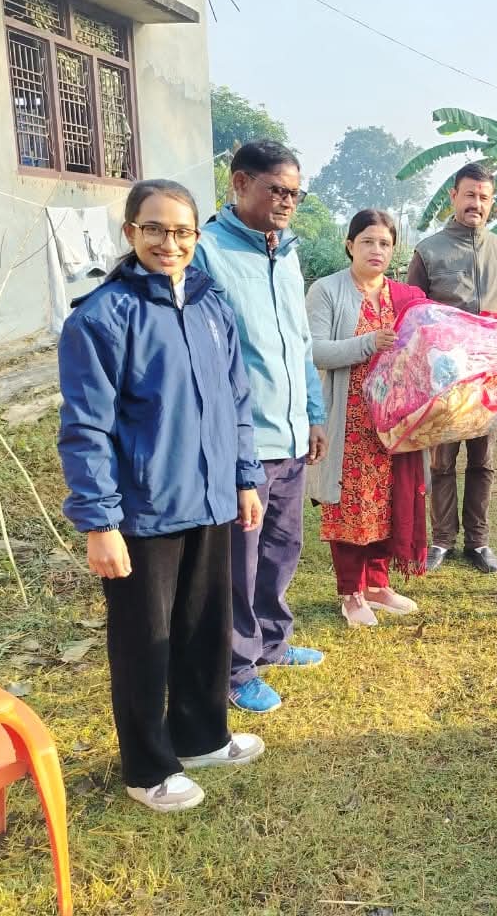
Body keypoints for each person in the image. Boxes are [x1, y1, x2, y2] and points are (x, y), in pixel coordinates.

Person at [57, 179, 267, 812]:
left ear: (196, 236)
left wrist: (245, 476)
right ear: (131, 233)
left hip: (209, 500)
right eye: (154, 229)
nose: (168, 243)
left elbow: (236, 399)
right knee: (144, 642)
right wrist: (100, 522)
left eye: (181, 231)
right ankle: (147, 767)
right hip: (143, 510)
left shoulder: (211, 306)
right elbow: (85, 428)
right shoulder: (101, 317)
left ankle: (202, 736)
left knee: (205, 627)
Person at [193, 140, 328, 715]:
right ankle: (236, 666)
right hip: (245, 441)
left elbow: (298, 342)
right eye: (276, 189)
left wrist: (315, 413)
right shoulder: (206, 252)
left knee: (282, 546)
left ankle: (273, 641)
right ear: (239, 183)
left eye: (294, 193)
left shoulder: (287, 252)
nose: (287, 202)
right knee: (239, 560)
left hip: (292, 431)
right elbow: (206, 354)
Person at [306, 209, 427, 626]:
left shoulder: (405, 297)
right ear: (349, 244)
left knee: (388, 504)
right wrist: (368, 343)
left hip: (391, 424)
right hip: (349, 419)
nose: (377, 250)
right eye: (368, 242)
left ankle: (377, 585)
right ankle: (350, 592)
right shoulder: (327, 290)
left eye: (385, 243)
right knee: (349, 508)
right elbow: (316, 351)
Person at [408, 162, 497, 574]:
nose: (476, 203)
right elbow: (412, 314)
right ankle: (442, 539)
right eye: (469, 195)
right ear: (454, 197)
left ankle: (478, 542)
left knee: (483, 461)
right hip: (444, 378)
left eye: (484, 197)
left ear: (491, 202)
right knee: (442, 461)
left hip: (490, 379)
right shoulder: (429, 250)